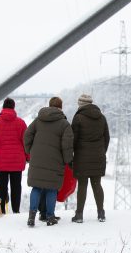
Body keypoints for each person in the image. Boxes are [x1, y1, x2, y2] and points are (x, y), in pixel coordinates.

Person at [24, 97, 73, 227]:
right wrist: (68, 160)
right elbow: (67, 145)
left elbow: (27, 135)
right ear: (60, 108)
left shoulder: (39, 120)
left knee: (36, 187)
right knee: (52, 188)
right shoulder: (64, 124)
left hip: (37, 157)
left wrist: (30, 150)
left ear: (49, 105)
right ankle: (50, 217)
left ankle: (31, 216)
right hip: (55, 160)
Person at [71, 94, 110, 223]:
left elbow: (73, 139)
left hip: (82, 156)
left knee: (82, 185)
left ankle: (79, 215)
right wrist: (101, 151)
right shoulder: (101, 117)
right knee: (97, 184)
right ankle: (101, 213)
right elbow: (107, 138)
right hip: (98, 156)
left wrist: (74, 152)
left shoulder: (78, 118)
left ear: (81, 104)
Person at [0, 98, 27, 214]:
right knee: (16, 187)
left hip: (0, 161)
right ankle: (16, 210)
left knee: (1, 187)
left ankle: (1, 211)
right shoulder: (21, 123)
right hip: (17, 161)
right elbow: (26, 142)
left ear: (3, 108)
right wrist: (28, 157)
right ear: (13, 107)